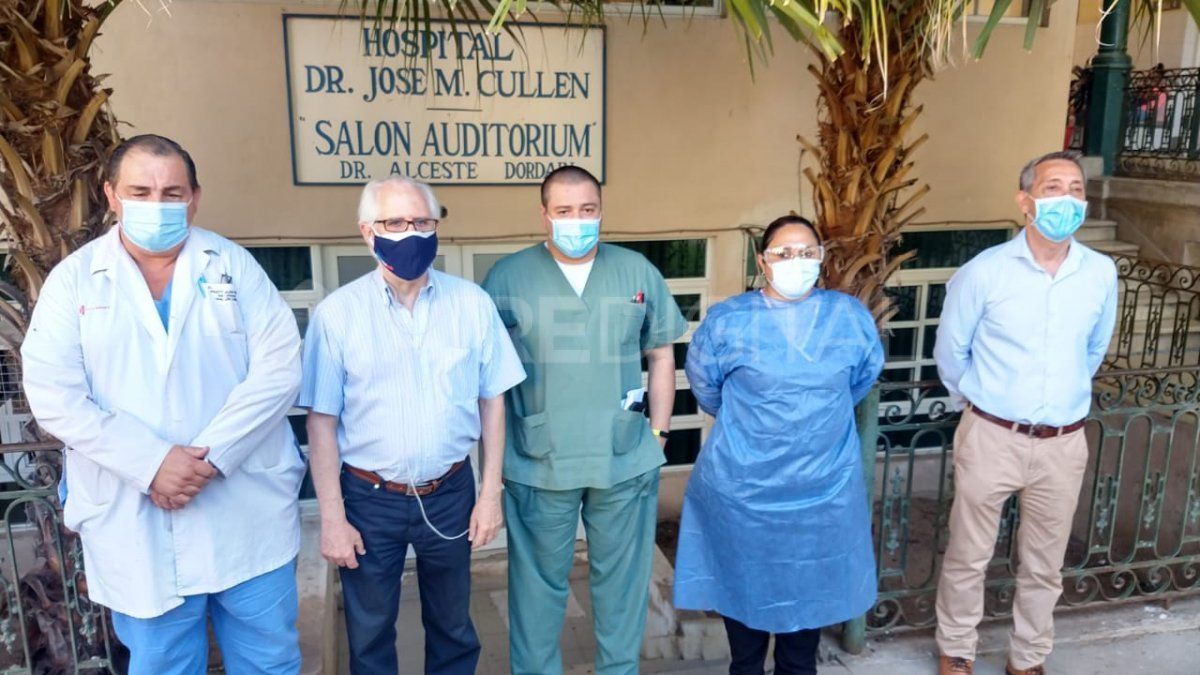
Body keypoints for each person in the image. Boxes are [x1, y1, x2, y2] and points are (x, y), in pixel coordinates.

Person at [21, 134, 304, 674]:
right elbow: (54, 393)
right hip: (136, 515)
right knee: (163, 664)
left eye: (172, 192)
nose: (158, 203)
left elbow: (280, 368)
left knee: (269, 660)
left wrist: (208, 458)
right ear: (110, 195)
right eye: (141, 191)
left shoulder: (235, 267)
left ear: (195, 197)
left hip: (243, 508)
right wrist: (151, 463)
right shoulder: (74, 280)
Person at [299, 176, 526, 675]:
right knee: (370, 633)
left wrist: (490, 495)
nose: (411, 233)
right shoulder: (337, 316)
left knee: (453, 628)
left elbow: (494, 402)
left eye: (422, 222)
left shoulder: (472, 304)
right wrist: (332, 519)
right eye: (395, 223)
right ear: (367, 232)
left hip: (449, 492)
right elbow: (321, 422)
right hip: (367, 500)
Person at [482, 166, 688, 675]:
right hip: (539, 460)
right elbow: (487, 380)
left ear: (601, 210)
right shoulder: (507, 278)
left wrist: (658, 435)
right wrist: (494, 464)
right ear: (544, 214)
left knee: (621, 588)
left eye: (588, 210)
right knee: (536, 592)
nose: (578, 221)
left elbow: (661, 355)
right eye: (565, 211)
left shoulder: (636, 272)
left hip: (622, 457)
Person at [932, 150, 1118, 675]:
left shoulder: (1100, 274)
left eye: (1076, 189)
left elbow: (1092, 351)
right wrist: (982, 406)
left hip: (1063, 443)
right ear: (1025, 201)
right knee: (969, 554)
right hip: (992, 435)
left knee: (1045, 563)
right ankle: (957, 649)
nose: (1067, 199)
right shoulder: (984, 272)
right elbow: (951, 353)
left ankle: (1028, 657)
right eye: (1053, 187)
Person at [673, 215, 883, 675]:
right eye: (783, 253)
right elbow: (707, 388)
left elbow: (860, 380)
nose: (796, 262)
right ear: (762, 262)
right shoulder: (729, 320)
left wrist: (809, 424)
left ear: (822, 260)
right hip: (743, 490)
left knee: (801, 633)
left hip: (820, 493)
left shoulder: (848, 318)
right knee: (744, 619)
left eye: (807, 252)